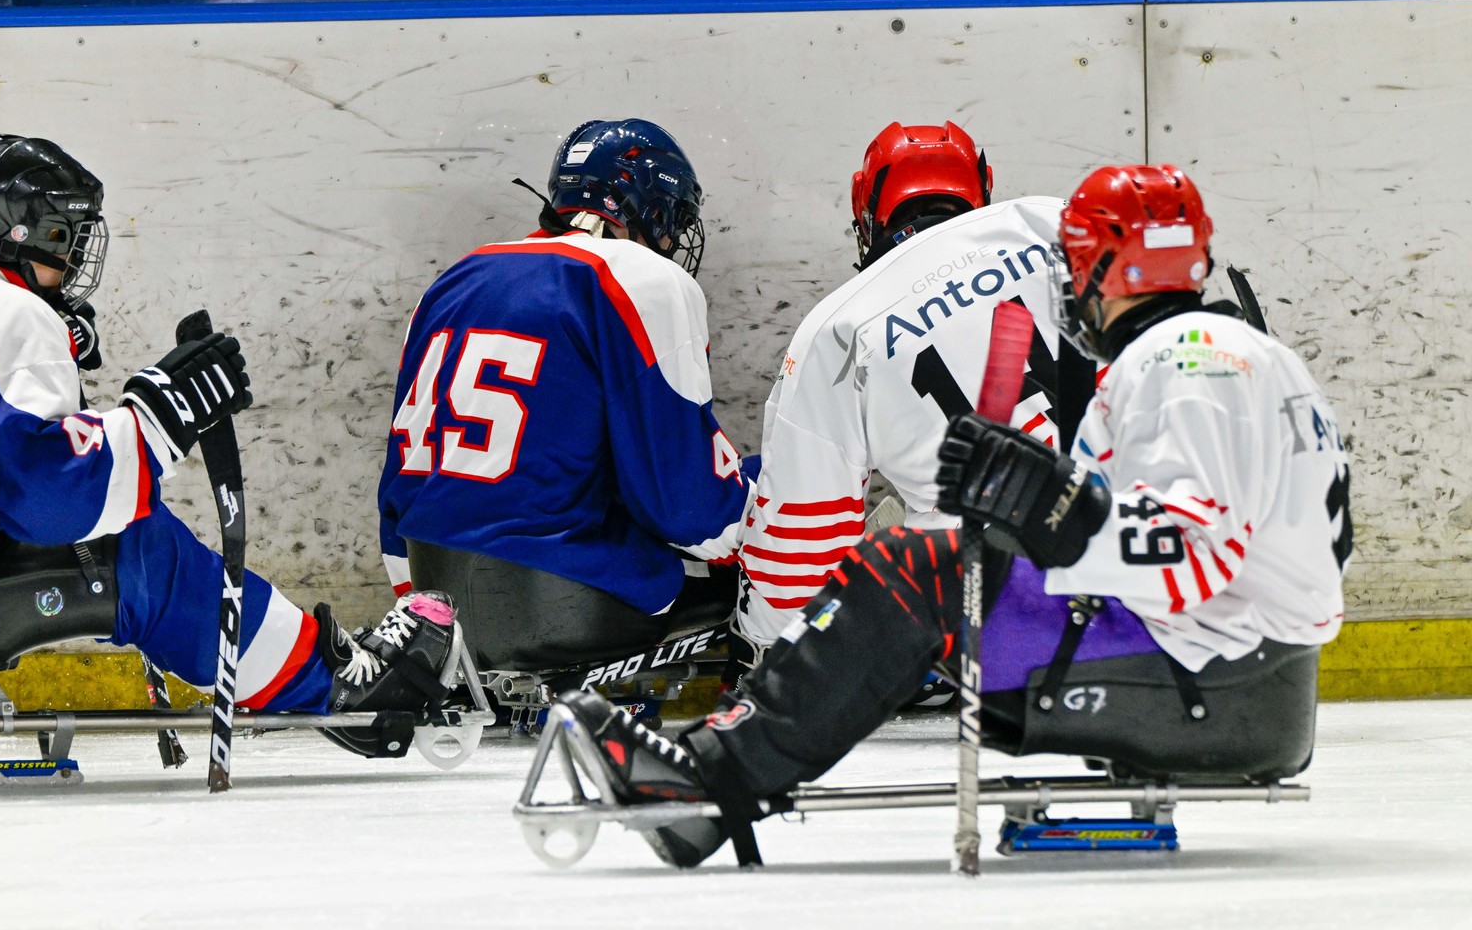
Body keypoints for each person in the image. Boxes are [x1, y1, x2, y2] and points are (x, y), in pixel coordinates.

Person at [557, 163, 1352, 868]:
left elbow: (1191, 554)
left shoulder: (1182, 359)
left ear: (1110, 269)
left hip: (1217, 682)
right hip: (1244, 671)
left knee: (913, 564)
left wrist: (1055, 507)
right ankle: (710, 766)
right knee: (940, 558)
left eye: (1077, 266)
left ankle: (703, 786)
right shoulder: (1229, 351)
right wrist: (1045, 515)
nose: (1067, 286)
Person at [0, 134, 455, 758]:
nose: (71, 262)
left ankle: (308, 653)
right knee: (136, 549)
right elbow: (52, 507)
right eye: (64, 236)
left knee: (123, 522)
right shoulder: (8, 315)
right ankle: (334, 688)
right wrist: (154, 422)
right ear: (20, 230)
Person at [378, 119, 751, 673]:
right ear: (646, 207)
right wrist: (772, 521)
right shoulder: (640, 276)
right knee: (768, 509)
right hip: (566, 603)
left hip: (435, 604)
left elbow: (400, 486)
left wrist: (426, 606)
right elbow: (691, 509)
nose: (672, 241)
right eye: (671, 221)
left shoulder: (452, 280)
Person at [735, 120, 1070, 701]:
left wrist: (765, 646)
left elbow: (801, 545)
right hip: (1150, 561)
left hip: (1003, 615)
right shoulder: (1054, 220)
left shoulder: (837, 327)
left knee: (892, 532)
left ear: (866, 208)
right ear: (981, 186)